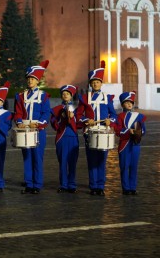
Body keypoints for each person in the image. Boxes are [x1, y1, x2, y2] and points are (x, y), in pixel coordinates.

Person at [78, 61, 117, 196]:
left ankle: (100, 185)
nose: (95, 84)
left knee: (102, 159)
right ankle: (93, 186)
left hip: (104, 132)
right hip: (90, 132)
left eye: (97, 82)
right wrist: (86, 120)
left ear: (101, 83)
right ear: (90, 84)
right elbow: (78, 115)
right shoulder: (85, 98)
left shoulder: (107, 98)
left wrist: (109, 121)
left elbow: (114, 115)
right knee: (92, 159)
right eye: (93, 82)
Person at [14, 60, 51, 195]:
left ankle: (37, 184)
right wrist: (19, 122)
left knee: (37, 157)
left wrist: (39, 123)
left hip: (37, 130)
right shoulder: (20, 96)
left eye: (33, 79)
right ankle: (29, 184)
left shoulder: (43, 96)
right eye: (28, 78)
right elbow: (18, 112)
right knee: (27, 157)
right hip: (24, 129)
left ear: (37, 81)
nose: (30, 81)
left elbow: (46, 113)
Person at [50, 84, 81, 193]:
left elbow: (80, 124)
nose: (65, 95)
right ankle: (63, 184)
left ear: (71, 95)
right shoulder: (57, 109)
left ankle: (72, 184)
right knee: (62, 161)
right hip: (61, 137)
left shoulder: (77, 110)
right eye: (63, 94)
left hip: (73, 137)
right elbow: (53, 123)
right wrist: (60, 119)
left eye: (67, 94)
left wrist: (73, 118)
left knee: (72, 162)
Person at [114, 91, 146, 195]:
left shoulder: (139, 116)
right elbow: (118, 131)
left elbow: (144, 130)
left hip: (135, 145)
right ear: (122, 104)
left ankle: (133, 187)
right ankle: (126, 188)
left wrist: (138, 132)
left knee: (134, 166)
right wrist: (129, 131)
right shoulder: (119, 116)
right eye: (126, 102)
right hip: (124, 144)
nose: (129, 104)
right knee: (124, 166)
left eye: (131, 102)